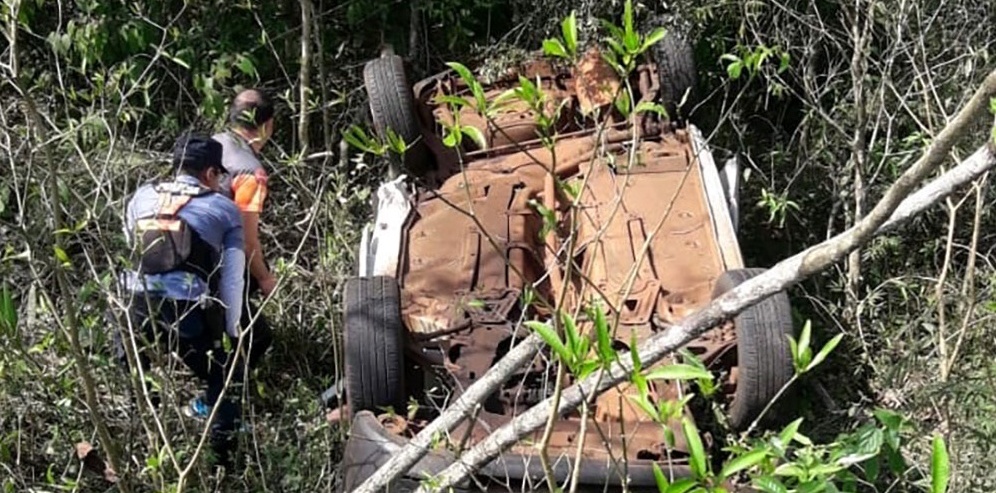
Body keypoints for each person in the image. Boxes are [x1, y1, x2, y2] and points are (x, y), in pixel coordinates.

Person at [116, 133, 246, 470]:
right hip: (185, 309)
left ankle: (145, 452)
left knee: (138, 379)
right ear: (210, 174)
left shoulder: (140, 197)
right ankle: (223, 462)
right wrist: (232, 331)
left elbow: (129, 249)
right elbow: (233, 278)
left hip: (132, 307)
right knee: (223, 377)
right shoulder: (225, 209)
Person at [211, 88, 276, 375]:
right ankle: (221, 400)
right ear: (267, 125)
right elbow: (247, 243)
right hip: (213, 266)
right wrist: (265, 279)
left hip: (171, 254)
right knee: (255, 337)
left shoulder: (211, 145)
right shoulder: (251, 172)